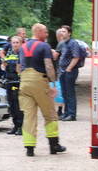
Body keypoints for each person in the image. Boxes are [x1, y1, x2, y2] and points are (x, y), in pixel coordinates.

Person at [18, 23, 65, 156]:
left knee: (29, 116)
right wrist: (53, 84)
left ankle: (29, 148)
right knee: (50, 113)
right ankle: (54, 145)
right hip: (38, 80)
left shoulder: (22, 47)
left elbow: (19, 67)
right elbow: (49, 66)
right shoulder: (44, 46)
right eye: (45, 32)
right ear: (38, 32)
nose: (47, 35)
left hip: (24, 82)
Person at [55, 26, 86, 121]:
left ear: (69, 33)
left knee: (70, 92)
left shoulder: (73, 43)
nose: (62, 33)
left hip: (70, 71)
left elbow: (76, 57)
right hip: (63, 71)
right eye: (61, 31)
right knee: (64, 93)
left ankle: (72, 114)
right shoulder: (63, 43)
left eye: (64, 31)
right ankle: (66, 113)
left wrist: (69, 68)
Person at [0, 34, 24, 135]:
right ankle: (15, 125)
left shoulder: (22, 53)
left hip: (18, 82)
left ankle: (20, 126)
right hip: (9, 80)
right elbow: (4, 65)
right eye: (13, 42)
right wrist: (3, 64)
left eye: (17, 42)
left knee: (18, 105)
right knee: (11, 104)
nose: (15, 44)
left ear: (21, 43)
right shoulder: (9, 53)